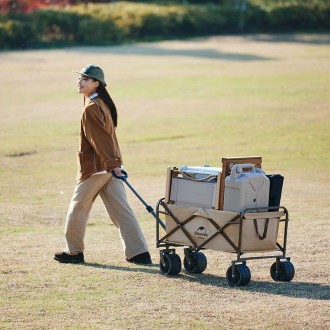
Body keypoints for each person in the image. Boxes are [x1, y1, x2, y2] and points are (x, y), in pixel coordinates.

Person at [54, 64, 151, 264]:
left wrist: (112, 163)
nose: (79, 82)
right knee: (121, 211)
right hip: (110, 168)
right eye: (80, 78)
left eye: (85, 79)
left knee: (77, 208)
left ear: (96, 84)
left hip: (98, 169)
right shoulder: (102, 104)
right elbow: (108, 138)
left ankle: (74, 252)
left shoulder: (91, 108)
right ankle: (139, 253)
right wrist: (115, 165)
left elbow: (101, 140)